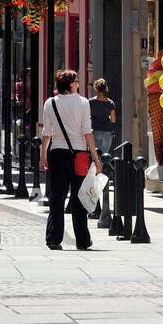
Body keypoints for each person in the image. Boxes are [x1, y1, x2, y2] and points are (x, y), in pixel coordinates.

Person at [39, 70, 103, 252]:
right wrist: (96, 158)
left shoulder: (50, 103)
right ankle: (82, 240)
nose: (79, 82)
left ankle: (53, 238)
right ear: (69, 84)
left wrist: (43, 156)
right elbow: (87, 132)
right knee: (79, 198)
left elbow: (47, 133)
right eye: (76, 80)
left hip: (57, 153)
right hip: (79, 155)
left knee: (57, 199)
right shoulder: (83, 103)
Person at [89, 78, 117, 159]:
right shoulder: (110, 103)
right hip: (107, 132)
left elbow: (86, 116)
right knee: (104, 157)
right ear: (106, 88)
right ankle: (102, 171)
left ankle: (95, 171)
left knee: (95, 157)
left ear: (95, 88)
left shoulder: (90, 102)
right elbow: (113, 120)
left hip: (94, 131)